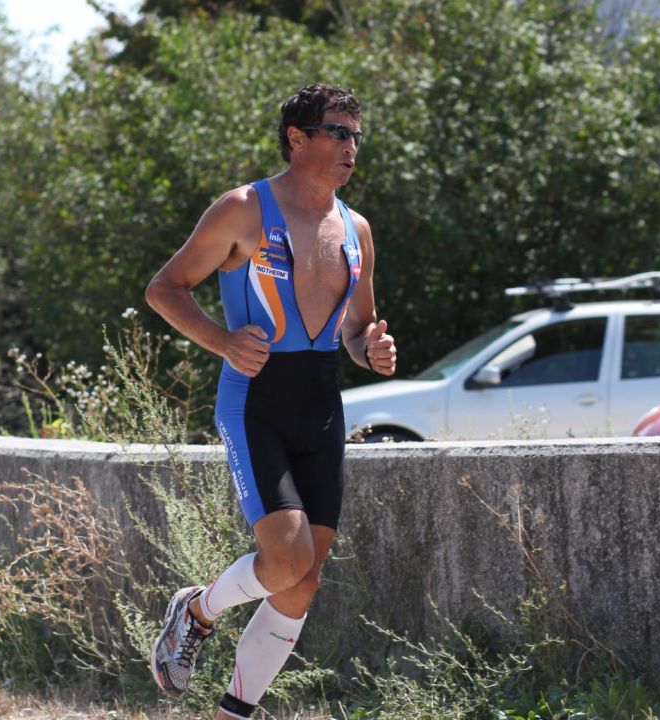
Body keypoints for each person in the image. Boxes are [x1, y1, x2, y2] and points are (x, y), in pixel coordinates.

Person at [144, 82, 396, 720]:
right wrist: (222, 340)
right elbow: (164, 288)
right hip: (255, 401)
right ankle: (197, 609)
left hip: (322, 408)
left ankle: (236, 711)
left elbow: (357, 329)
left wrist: (373, 349)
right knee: (285, 556)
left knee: (303, 579)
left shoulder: (356, 230)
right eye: (338, 132)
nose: (351, 147)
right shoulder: (243, 209)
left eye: (357, 135)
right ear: (297, 138)